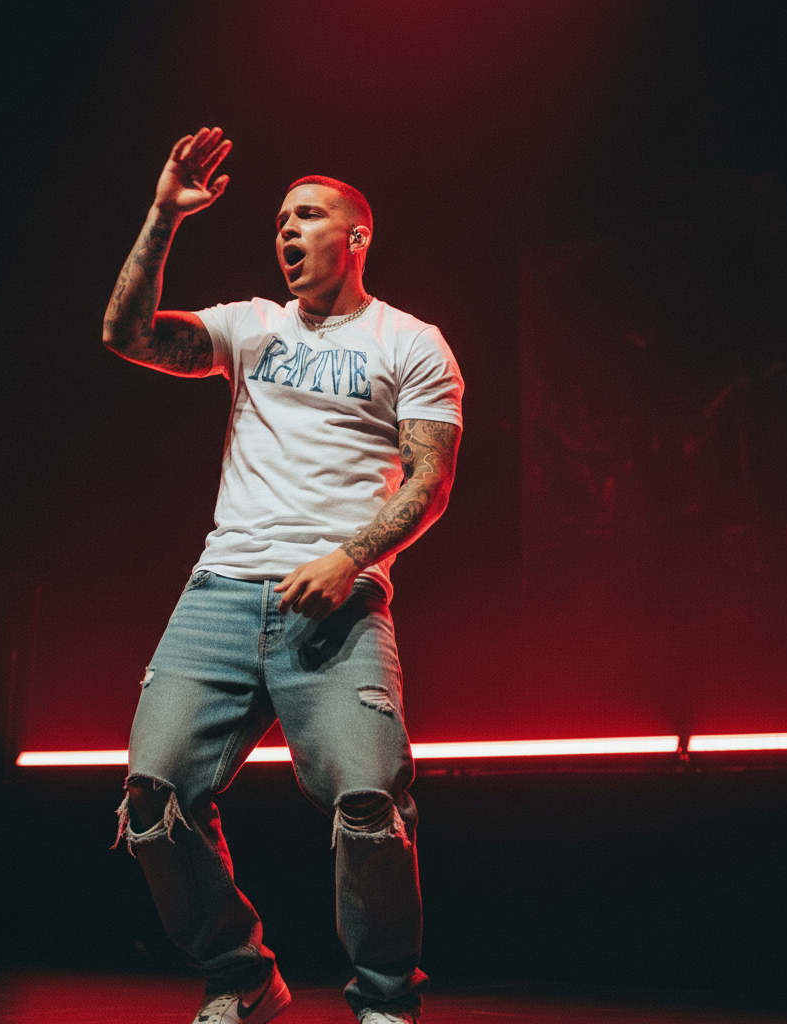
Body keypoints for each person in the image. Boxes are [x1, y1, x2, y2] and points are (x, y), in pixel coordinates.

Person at [103, 127, 463, 1024]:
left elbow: (431, 480)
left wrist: (350, 559)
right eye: (278, 222)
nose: (287, 231)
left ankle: (386, 1001)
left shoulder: (411, 342)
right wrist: (163, 214)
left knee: (370, 800)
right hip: (221, 594)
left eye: (307, 216)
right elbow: (126, 333)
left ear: (357, 234)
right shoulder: (252, 325)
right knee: (152, 798)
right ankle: (241, 975)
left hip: (339, 603)